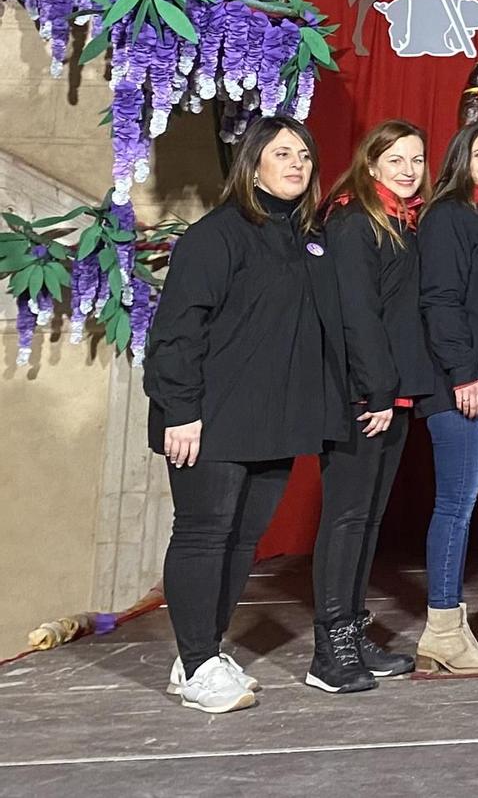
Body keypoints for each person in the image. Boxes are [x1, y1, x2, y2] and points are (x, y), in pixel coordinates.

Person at [146, 116, 348, 712]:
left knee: (243, 540)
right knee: (205, 535)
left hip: (273, 419)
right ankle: (197, 661)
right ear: (252, 163)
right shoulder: (217, 235)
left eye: (305, 155)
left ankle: (200, 655)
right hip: (209, 417)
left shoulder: (307, 237)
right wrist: (181, 410)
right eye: (282, 153)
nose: (296, 164)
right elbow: (176, 333)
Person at [314, 119, 437, 693]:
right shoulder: (352, 220)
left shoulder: (399, 221)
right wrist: (377, 391)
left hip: (395, 391)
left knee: (367, 520)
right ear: (370, 164)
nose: (409, 170)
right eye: (397, 160)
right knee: (345, 519)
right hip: (365, 395)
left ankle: (354, 632)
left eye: (416, 159)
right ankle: (329, 650)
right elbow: (356, 315)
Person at [413, 120, 478, 674]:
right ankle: (442, 631)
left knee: (464, 503)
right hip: (457, 389)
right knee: (454, 505)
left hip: (477, 384)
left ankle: (447, 628)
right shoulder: (451, 216)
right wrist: (463, 373)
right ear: (461, 159)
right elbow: (441, 300)